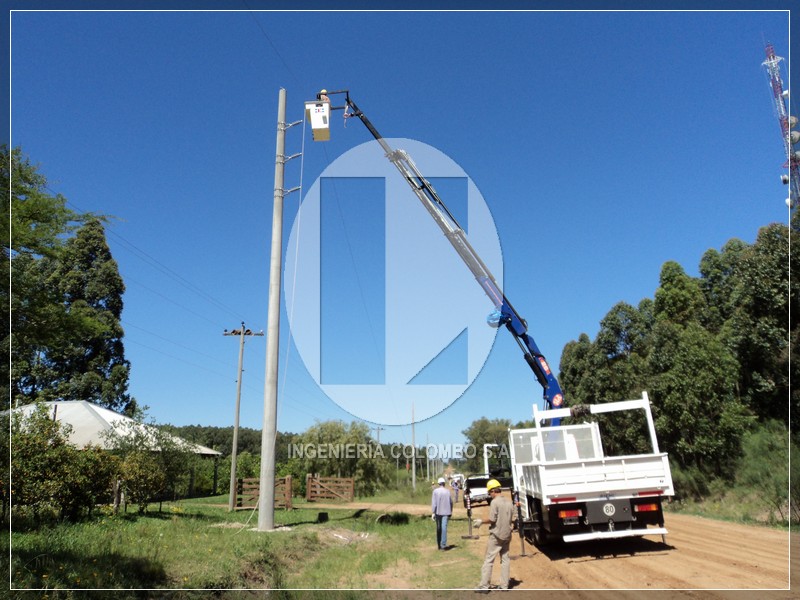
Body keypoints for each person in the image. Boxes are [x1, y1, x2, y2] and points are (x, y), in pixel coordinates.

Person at [477, 479, 515, 591]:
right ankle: (504, 585)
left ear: (493, 491)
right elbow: (514, 518)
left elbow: (492, 519)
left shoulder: (494, 502)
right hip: (507, 535)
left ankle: (484, 586)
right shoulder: (509, 502)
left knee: (489, 560)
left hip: (496, 536)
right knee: (505, 559)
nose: (490, 494)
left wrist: (481, 521)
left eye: (490, 492)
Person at [431, 476, 453, 550]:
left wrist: (433, 512)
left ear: (438, 483)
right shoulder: (447, 491)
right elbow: (451, 502)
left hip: (438, 512)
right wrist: (450, 511)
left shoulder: (435, 491)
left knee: (438, 528)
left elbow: (434, 503)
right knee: (444, 528)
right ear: (444, 483)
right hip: (446, 512)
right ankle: (443, 544)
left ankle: (439, 544)